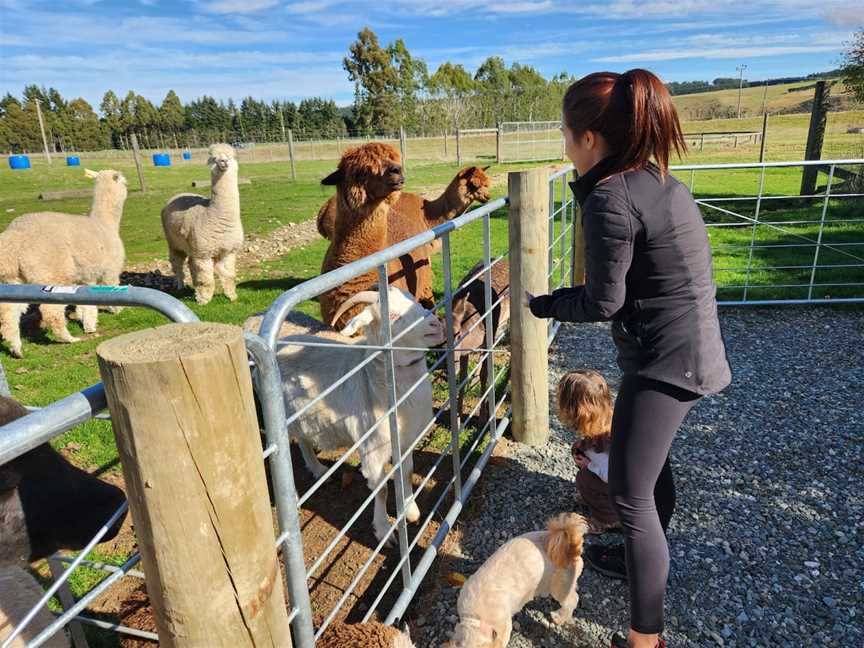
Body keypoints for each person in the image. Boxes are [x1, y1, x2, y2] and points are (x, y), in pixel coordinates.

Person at [527, 69, 732, 648]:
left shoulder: (612, 197)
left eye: (566, 134)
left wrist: (542, 305)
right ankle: (648, 558)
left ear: (590, 138)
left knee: (631, 496)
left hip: (667, 360)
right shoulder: (653, 177)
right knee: (650, 471)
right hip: (684, 347)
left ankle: (646, 640)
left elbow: (603, 299)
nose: (564, 145)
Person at [557, 369, 621, 535]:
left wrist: (589, 466)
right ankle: (597, 498)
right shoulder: (606, 418)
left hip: (617, 483)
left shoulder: (607, 437)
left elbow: (612, 475)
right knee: (578, 449)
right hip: (609, 474)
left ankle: (608, 519)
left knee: (584, 478)